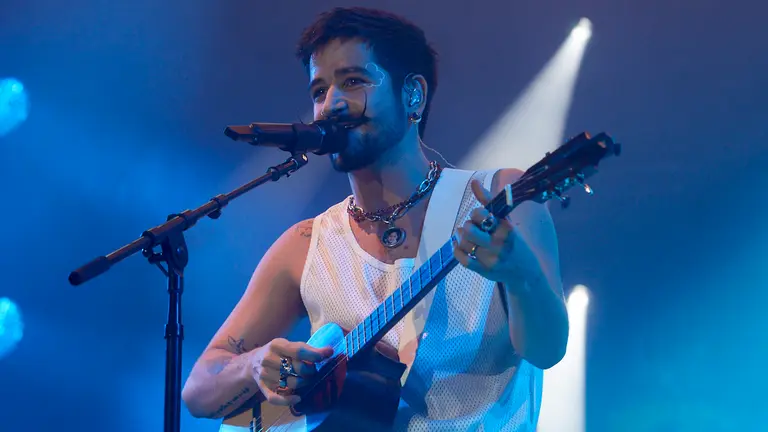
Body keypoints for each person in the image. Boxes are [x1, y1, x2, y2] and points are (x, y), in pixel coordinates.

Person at [182, 6, 569, 431]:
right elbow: (199, 390)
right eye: (318, 91)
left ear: (413, 96)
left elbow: (547, 350)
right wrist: (255, 364)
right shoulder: (306, 244)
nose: (330, 105)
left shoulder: (501, 198)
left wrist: (520, 273)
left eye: (352, 81)